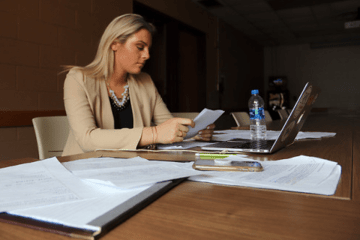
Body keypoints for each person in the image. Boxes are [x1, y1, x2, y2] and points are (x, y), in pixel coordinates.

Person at [62, 13, 215, 156]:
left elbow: (167, 126)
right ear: (115, 44)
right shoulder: (77, 79)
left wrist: (195, 132)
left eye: (148, 49)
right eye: (140, 47)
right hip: (84, 170)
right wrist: (154, 134)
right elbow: (87, 139)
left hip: (133, 169)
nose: (147, 55)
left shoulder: (145, 81)